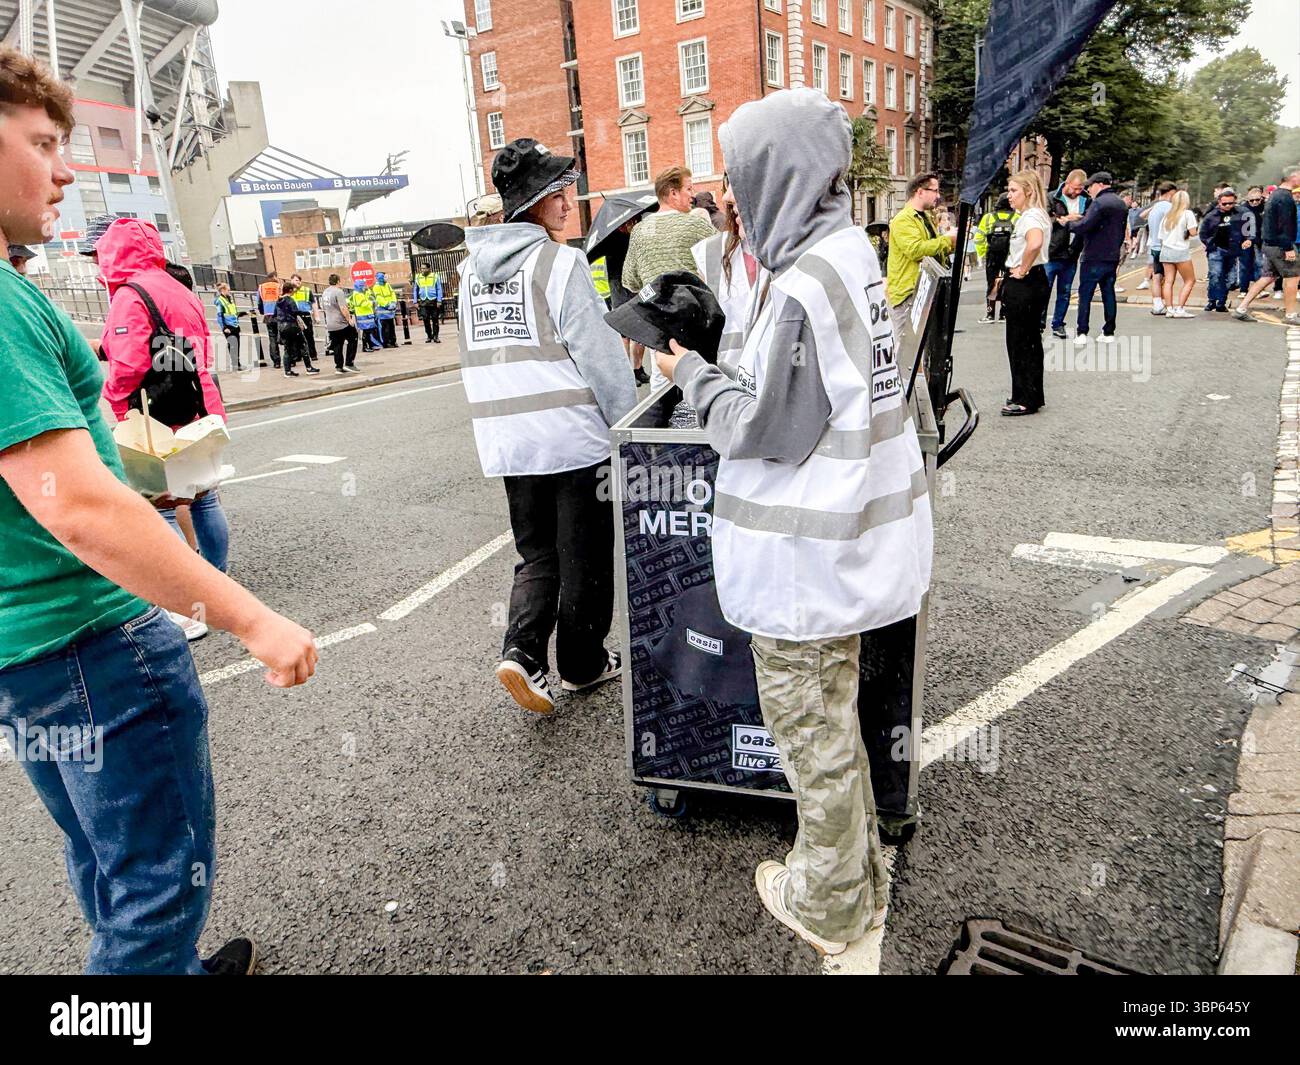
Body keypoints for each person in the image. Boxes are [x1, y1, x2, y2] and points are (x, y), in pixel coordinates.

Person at [0, 45, 317, 975]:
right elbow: (81, 510)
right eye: (43, 142)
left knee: (106, 858)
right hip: (94, 638)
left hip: (26, 648)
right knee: (155, 890)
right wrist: (249, 616)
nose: (66, 168)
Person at [655, 88, 929, 958]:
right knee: (832, 724)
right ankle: (860, 880)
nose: (729, 194)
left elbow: (764, 429)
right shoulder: (846, 254)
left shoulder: (806, 282)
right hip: (840, 553)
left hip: (803, 565)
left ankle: (834, 907)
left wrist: (692, 373)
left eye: (738, 174)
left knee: (811, 741)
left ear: (777, 174)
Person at [459, 137, 637, 714]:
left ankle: (523, 652)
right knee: (584, 553)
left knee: (537, 554)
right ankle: (582, 664)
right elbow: (602, 359)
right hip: (571, 436)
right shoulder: (559, 264)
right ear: (536, 200)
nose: (569, 198)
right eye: (560, 188)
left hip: (509, 442)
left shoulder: (469, 273)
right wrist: (628, 424)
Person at [92, 216, 232, 640]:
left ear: (111, 255)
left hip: (158, 417)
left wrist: (115, 400)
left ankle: (187, 608)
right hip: (201, 404)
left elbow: (130, 362)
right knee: (204, 498)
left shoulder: (130, 294)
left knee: (163, 506)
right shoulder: (176, 286)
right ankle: (218, 585)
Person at [622, 166, 718, 389]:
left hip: (658, 323)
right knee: (698, 384)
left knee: (661, 385)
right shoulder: (696, 225)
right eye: (688, 188)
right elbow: (723, 264)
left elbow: (630, 280)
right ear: (673, 193)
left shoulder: (639, 231)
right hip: (696, 322)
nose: (692, 195)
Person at [1000, 171, 1052, 416]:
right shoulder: (1035, 214)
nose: (1009, 196)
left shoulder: (1030, 217)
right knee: (1029, 341)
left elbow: (1034, 243)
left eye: (1013, 191)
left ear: (1028, 191)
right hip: (1035, 280)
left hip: (1026, 282)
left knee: (1020, 341)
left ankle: (1025, 398)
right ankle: (1028, 394)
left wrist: (1022, 268)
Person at [691, 191, 761, 371]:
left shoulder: (799, 251)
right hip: (731, 377)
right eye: (727, 180)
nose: (727, 196)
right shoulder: (711, 251)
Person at [886, 171, 955, 339]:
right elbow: (915, 250)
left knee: (925, 350)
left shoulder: (924, 217)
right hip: (908, 293)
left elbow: (933, 249)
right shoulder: (903, 219)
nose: (938, 196)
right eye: (935, 191)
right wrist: (947, 240)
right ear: (920, 191)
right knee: (906, 350)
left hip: (924, 289)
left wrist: (951, 244)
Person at [1233, 167, 1300, 326]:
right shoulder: (1285, 197)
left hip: (1269, 244)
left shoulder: (1275, 195)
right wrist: (1288, 247)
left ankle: (1241, 309)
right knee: (1293, 277)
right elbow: (1284, 224)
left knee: (1268, 277)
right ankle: (1291, 314)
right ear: (1293, 177)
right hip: (1281, 245)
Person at [1066, 171, 1127, 344]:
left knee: (1085, 294)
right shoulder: (1121, 203)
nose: (1089, 190)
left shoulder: (1098, 203)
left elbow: (1085, 226)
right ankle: (1108, 332)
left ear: (1099, 184)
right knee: (1108, 293)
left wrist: (1069, 224)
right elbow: (1121, 231)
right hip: (1112, 255)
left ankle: (1082, 332)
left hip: (1093, 255)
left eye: (1090, 187)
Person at [1043, 169, 1090, 338]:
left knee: (1065, 292)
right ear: (1067, 183)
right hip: (1052, 251)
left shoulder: (1087, 200)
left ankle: (1058, 324)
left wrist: (1081, 220)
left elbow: (1089, 221)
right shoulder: (1051, 197)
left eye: (1080, 189)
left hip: (1072, 253)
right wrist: (1066, 219)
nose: (1078, 192)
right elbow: (1044, 219)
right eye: (1076, 188)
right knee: (1044, 289)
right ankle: (1040, 322)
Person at [1198, 187, 1254, 313]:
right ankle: (1212, 301)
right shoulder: (1211, 216)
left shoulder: (1241, 213)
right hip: (1216, 250)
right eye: (1225, 203)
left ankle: (1221, 302)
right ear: (1219, 202)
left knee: (1230, 279)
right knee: (1216, 275)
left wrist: (1247, 239)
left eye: (1231, 203)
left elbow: (1248, 229)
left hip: (1233, 250)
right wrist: (1209, 244)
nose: (1228, 206)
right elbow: (1202, 233)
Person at [973, 193, 1017, 323]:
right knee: (1007, 284)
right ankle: (1004, 314)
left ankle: (990, 314)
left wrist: (983, 254)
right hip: (1009, 258)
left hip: (992, 257)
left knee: (992, 284)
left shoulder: (988, 218)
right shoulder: (1017, 218)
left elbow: (979, 238)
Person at [1156, 189, 1200, 318]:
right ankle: (1180, 309)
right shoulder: (1188, 214)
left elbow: (1161, 236)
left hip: (1166, 250)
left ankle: (1169, 309)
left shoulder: (1167, 216)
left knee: (1168, 281)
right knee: (1190, 280)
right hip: (1180, 251)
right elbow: (1193, 233)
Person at [275, 278, 318, 375]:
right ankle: (309, 368)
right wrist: (305, 312)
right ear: (290, 290)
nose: (294, 291)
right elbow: (294, 312)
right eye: (293, 289)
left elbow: (275, 314)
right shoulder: (290, 300)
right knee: (303, 345)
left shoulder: (278, 301)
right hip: (292, 326)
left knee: (287, 349)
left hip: (282, 327)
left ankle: (287, 371)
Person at [320, 272, 358, 373]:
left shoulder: (325, 292)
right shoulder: (338, 292)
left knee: (337, 345)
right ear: (338, 281)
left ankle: (339, 366)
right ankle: (349, 363)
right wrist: (349, 319)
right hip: (341, 322)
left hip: (330, 323)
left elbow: (323, 307)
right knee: (353, 338)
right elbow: (343, 307)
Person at [214, 281, 247, 372]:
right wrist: (224, 327)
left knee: (237, 345)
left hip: (235, 325)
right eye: (228, 290)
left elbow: (232, 312)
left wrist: (242, 313)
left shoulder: (229, 299)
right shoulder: (220, 301)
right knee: (233, 345)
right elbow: (220, 315)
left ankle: (237, 363)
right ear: (223, 290)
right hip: (228, 326)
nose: (229, 291)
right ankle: (236, 364)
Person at [289, 273, 319, 362]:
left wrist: (316, 316)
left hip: (305, 315)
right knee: (296, 337)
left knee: (309, 336)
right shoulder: (289, 291)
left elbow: (313, 303)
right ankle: (298, 356)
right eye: (296, 280)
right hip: (294, 317)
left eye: (299, 280)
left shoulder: (306, 290)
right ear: (291, 280)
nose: (298, 282)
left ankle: (313, 354)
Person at [257, 272, 282, 368]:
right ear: (274, 277)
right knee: (285, 337)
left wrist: (263, 311)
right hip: (279, 315)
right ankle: (291, 359)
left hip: (268, 315)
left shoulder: (261, 287)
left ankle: (276, 362)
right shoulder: (279, 286)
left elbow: (259, 302)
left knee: (272, 338)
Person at [349, 279, 382, 350]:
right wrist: (372, 303)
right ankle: (365, 347)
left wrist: (367, 292)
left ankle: (370, 345)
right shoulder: (358, 294)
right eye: (363, 286)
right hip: (363, 315)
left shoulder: (360, 293)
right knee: (366, 331)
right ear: (360, 286)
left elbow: (366, 299)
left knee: (368, 331)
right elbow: (363, 304)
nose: (365, 287)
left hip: (366, 315)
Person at [414, 261, 443, 342]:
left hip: (433, 300)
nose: (422, 270)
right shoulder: (418, 277)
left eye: (424, 268)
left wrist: (439, 300)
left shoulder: (435, 276)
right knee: (425, 319)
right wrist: (415, 301)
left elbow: (439, 288)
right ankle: (429, 336)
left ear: (429, 269)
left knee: (435, 319)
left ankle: (436, 336)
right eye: (421, 268)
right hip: (423, 301)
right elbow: (415, 290)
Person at [372, 271, 399, 348]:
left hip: (390, 311)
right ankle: (386, 343)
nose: (386, 278)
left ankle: (393, 341)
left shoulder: (387, 285)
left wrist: (393, 302)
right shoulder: (376, 287)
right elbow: (379, 298)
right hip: (383, 312)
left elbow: (392, 293)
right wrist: (387, 305)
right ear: (380, 278)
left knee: (391, 327)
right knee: (384, 328)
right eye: (384, 277)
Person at [1126, 192, 1147, 260]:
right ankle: (1131, 249)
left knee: (1137, 240)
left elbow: (1144, 217)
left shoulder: (1140, 210)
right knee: (1132, 239)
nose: (1133, 204)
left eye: (1135, 203)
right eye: (1132, 203)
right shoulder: (1129, 211)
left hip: (1139, 227)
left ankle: (1135, 252)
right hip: (1131, 227)